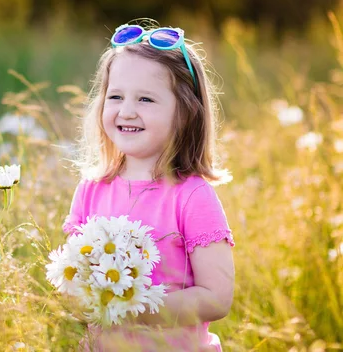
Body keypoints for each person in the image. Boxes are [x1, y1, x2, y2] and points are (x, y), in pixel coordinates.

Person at [63, 20, 235, 351]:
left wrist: (135, 307)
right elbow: (72, 278)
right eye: (115, 96)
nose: (126, 111)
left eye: (145, 99)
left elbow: (216, 298)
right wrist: (79, 301)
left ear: (185, 113)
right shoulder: (91, 189)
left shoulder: (192, 197)